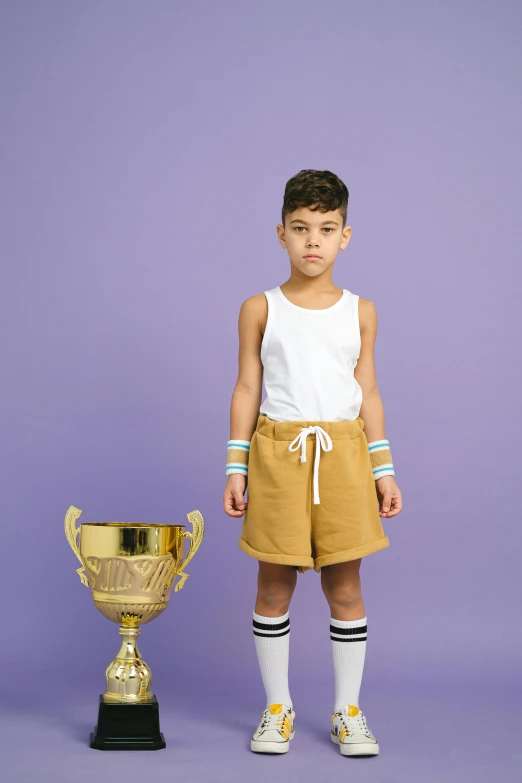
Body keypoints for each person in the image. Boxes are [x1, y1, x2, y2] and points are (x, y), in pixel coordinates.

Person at [223, 169, 403, 757]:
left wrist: (383, 469)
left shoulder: (361, 311)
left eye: (326, 229)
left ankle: (347, 711)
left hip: (344, 456)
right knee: (273, 584)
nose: (313, 242)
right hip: (278, 454)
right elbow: (248, 388)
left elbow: (368, 391)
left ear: (345, 235)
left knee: (345, 585)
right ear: (281, 233)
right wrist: (236, 465)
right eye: (301, 229)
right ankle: (278, 708)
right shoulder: (259, 307)